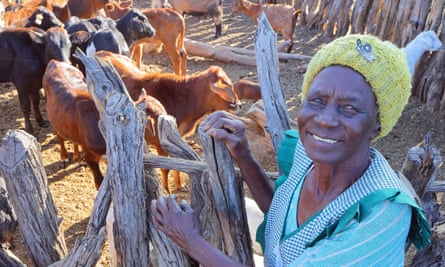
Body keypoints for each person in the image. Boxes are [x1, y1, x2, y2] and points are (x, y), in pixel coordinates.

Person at [150, 34, 432, 266]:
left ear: (377, 125)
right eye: (317, 100)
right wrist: (244, 155)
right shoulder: (306, 156)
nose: (325, 119)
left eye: (350, 107)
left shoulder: (381, 215)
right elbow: (281, 215)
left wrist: (192, 241)